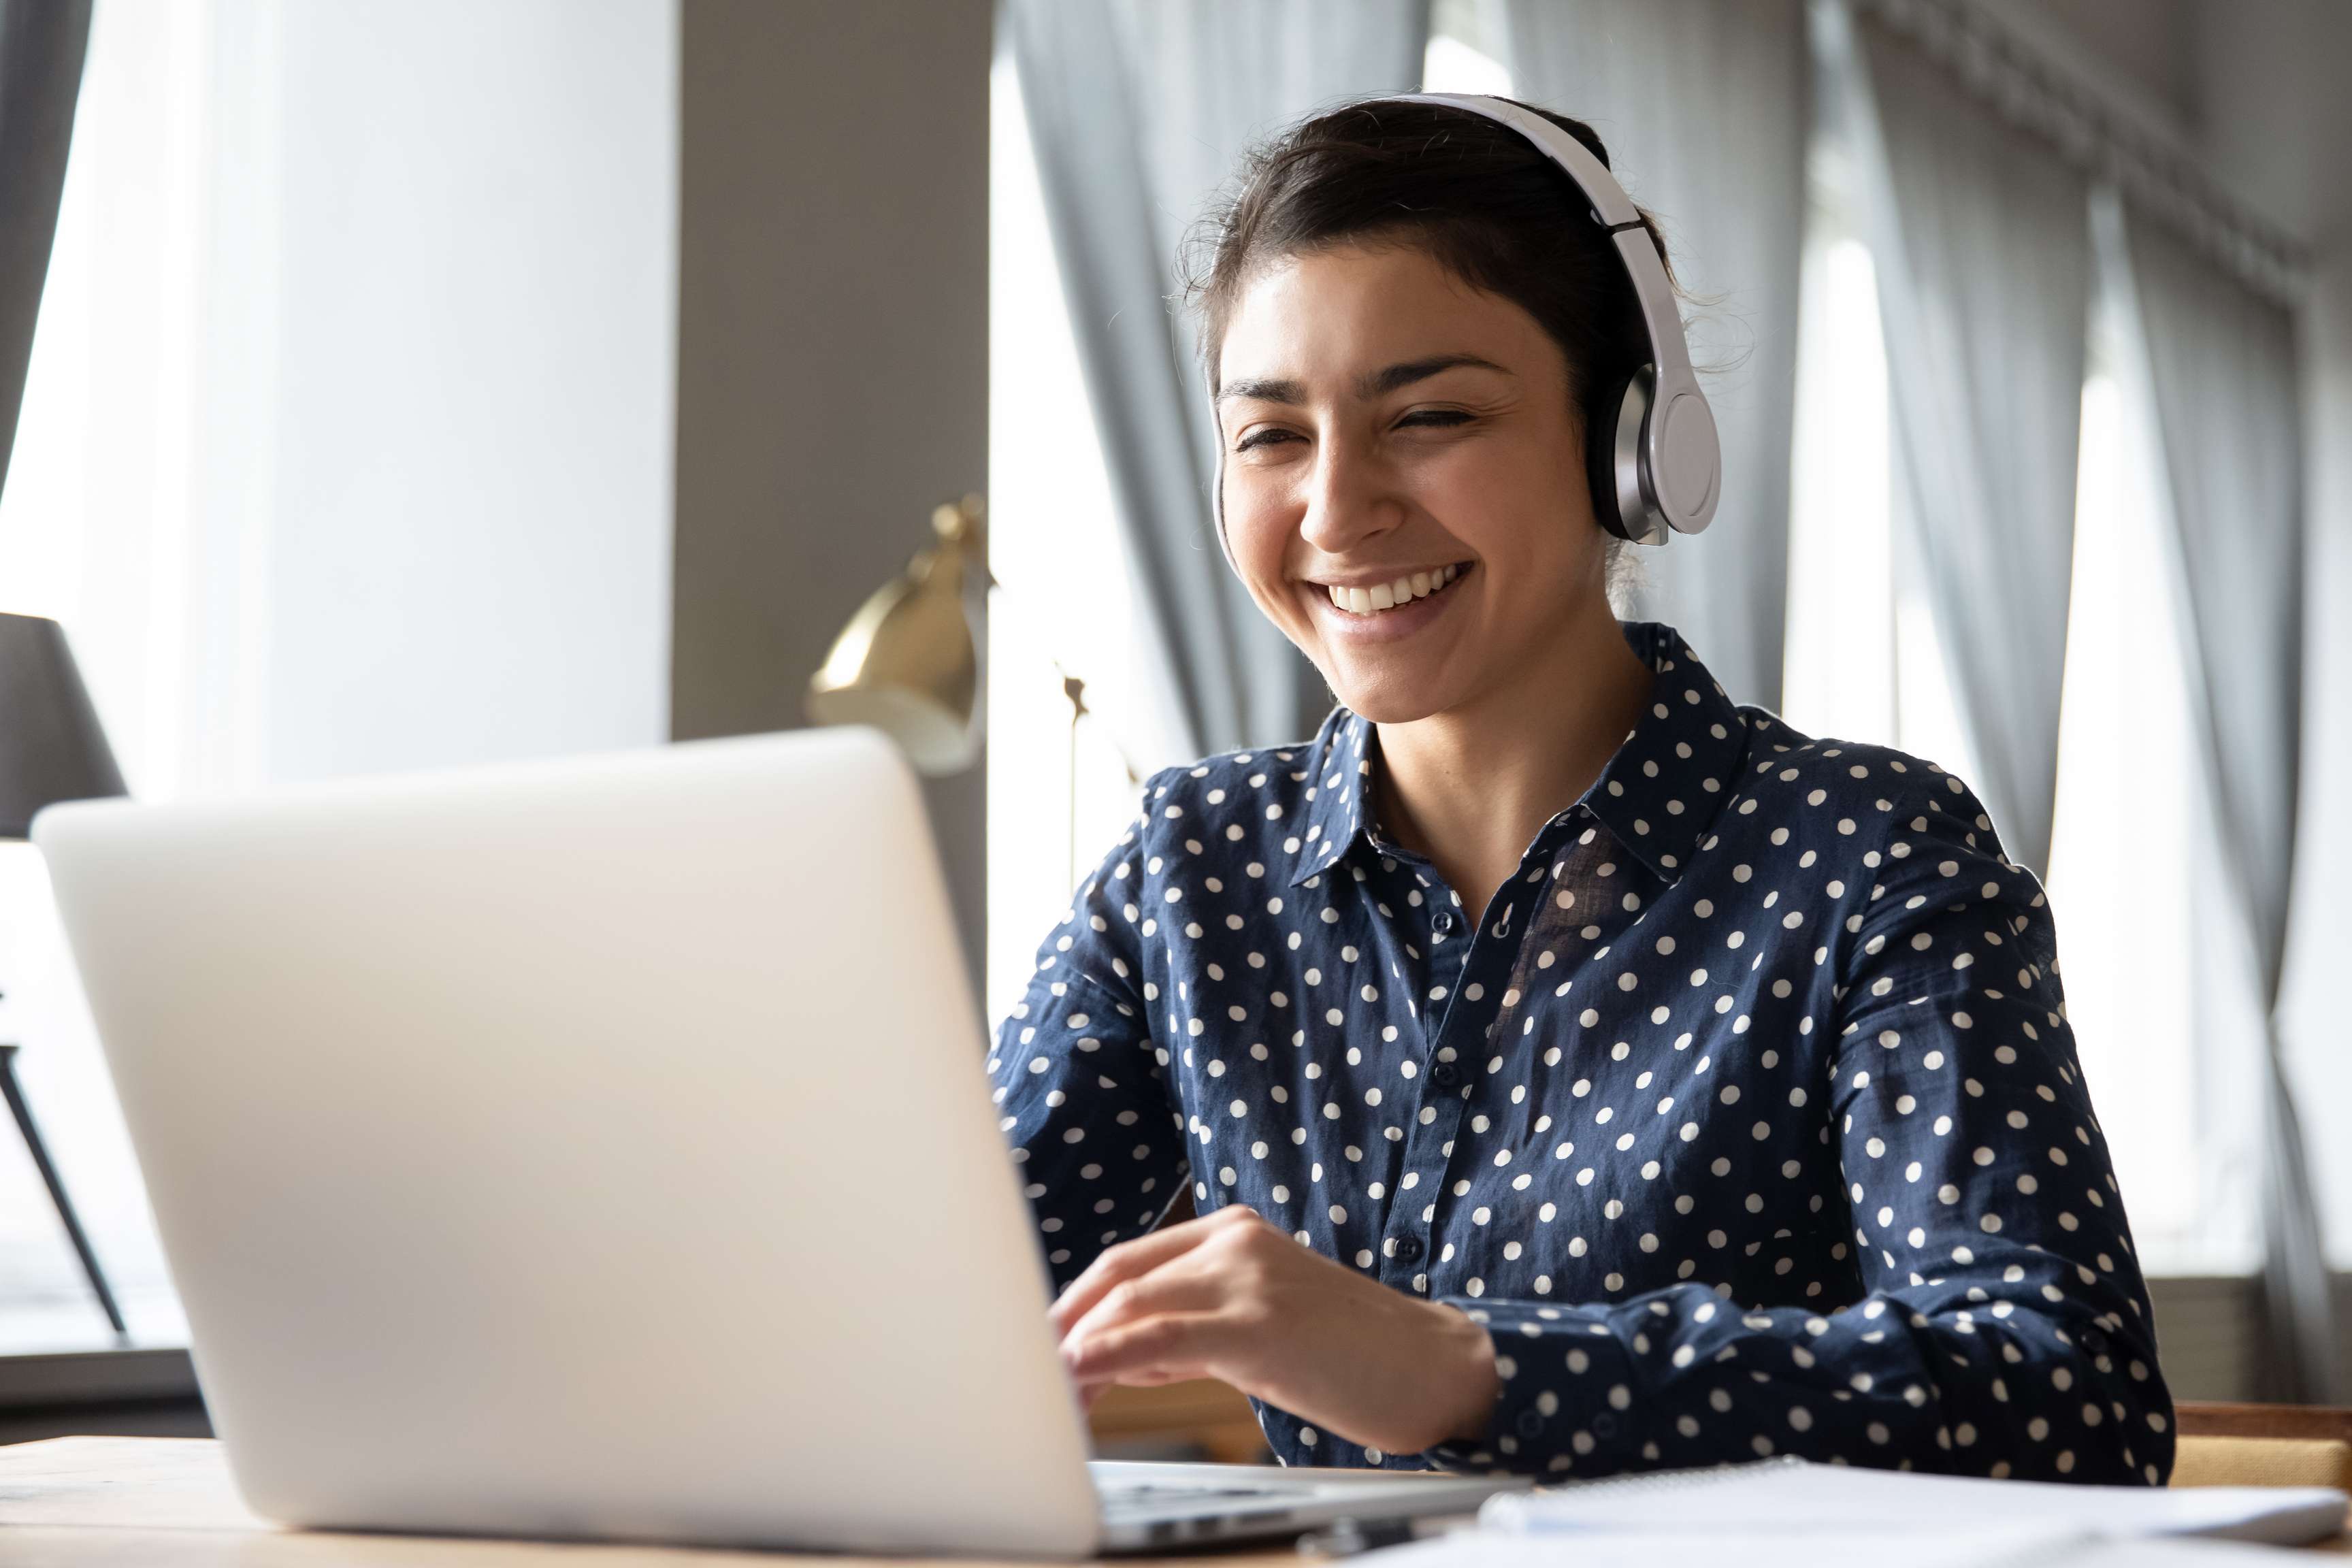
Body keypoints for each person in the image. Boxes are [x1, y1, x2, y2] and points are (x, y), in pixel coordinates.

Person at [989, 96, 2170, 1484]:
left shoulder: (1869, 857)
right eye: (1271, 437)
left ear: (1631, 442)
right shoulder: (1192, 872)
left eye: (1429, 414)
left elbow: (2069, 1396)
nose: (1335, 510)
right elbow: (934, 1313)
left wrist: (1465, 1368)